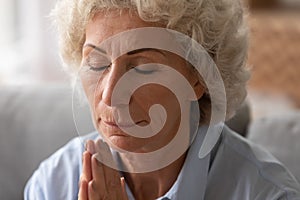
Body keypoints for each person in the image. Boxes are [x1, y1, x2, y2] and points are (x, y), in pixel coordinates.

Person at [24, 0, 300, 199]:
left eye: (143, 68)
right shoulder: (53, 182)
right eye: (97, 63)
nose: (110, 96)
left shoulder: (266, 193)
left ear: (200, 77)